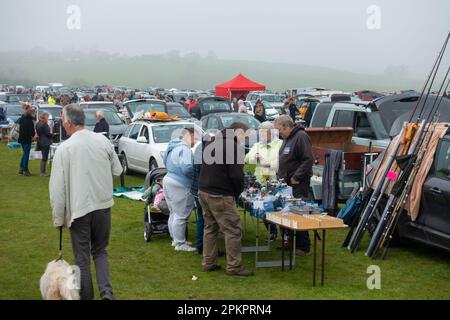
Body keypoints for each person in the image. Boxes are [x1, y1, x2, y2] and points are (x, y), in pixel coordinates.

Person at [49, 104, 123, 300]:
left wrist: (58, 218)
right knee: (100, 251)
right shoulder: (102, 141)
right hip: (103, 206)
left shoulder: (65, 148)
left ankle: (89, 297)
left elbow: (57, 189)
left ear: (67, 122)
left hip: (80, 210)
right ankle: (106, 293)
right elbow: (118, 170)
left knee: (82, 258)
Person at [198, 122, 254, 276]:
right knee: (233, 231)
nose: (244, 140)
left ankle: (208, 262)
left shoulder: (212, 140)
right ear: (238, 133)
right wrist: (236, 193)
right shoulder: (233, 147)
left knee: (210, 228)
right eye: (244, 136)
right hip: (220, 194)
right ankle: (234, 267)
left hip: (204, 190)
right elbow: (236, 176)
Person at [274, 115, 314, 256]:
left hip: (298, 184)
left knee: (299, 214)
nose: (279, 133)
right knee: (287, 214)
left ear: (287, 126)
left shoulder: (301, 137)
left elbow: (308, 159)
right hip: (287, 184)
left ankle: (304, 247)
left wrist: (297, 176)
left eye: (280, 130)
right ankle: (290, 243)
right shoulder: (288, 138)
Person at [245, 121, 282, 241]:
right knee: (265, 208)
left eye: (263, 134)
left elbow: (279, 163)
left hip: (275, 181)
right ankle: (272, 232)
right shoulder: (257, 145)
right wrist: (254, 156)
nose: (261, 136)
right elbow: (247, 158)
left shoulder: (279, 144)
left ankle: (286, 234)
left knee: (278, 208)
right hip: (259, 181)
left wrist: (267, 164)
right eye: (260, 133)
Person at [163, 127, 196, 252]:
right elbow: (187, 168)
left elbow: (165, 161)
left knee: (174, 213)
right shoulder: (184, 149)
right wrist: (195, 177)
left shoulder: (173, 147)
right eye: (195, 137)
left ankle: (175, 240)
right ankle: (180, 244)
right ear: (189, 136)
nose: (195, 140)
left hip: (168, 179)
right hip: (180, 184)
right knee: (181, 215)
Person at [17, 108, 36, 176]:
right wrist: (34, 134)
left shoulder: (22, 119)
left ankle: (21, 169)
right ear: (31, 114)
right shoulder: (30, 121)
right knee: (26, 155)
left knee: (24, 154)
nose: (35, 114)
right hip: (27, 139)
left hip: (21, 138)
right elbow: (32, 133)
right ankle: (25, 170)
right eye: (34, 113)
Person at [35, 111, 52, 176]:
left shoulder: (38, 123)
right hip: (45, 142)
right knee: (44, 158)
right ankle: (42, 172)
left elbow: (38, 132)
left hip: (40, 141)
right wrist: (53, 135)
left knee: (44, 157)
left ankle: (42, 171)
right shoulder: (44, 124)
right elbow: (47, 134)